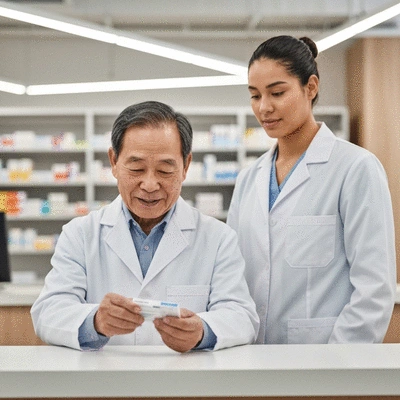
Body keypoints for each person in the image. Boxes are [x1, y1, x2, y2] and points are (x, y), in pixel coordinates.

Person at [31, 101, 259, 352]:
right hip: (102, 385)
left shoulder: (218, 238)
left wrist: (202, 331)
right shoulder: (80, 234)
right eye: (137, 168)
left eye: (164, 170)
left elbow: (241, 316)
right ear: (114, 162)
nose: (150, 184)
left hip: (185, 386)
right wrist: (95, 321)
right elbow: (48, 312)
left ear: (185, 167)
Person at [227, 35, 396, 344]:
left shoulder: (355, 169)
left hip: (326, 363)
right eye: (254, 95)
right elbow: (232, 279)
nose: (264, 107)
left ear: (311, 87)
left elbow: (374, 290)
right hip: (250, 360)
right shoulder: (249, 180)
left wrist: (336, 365)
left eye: (277, 92)